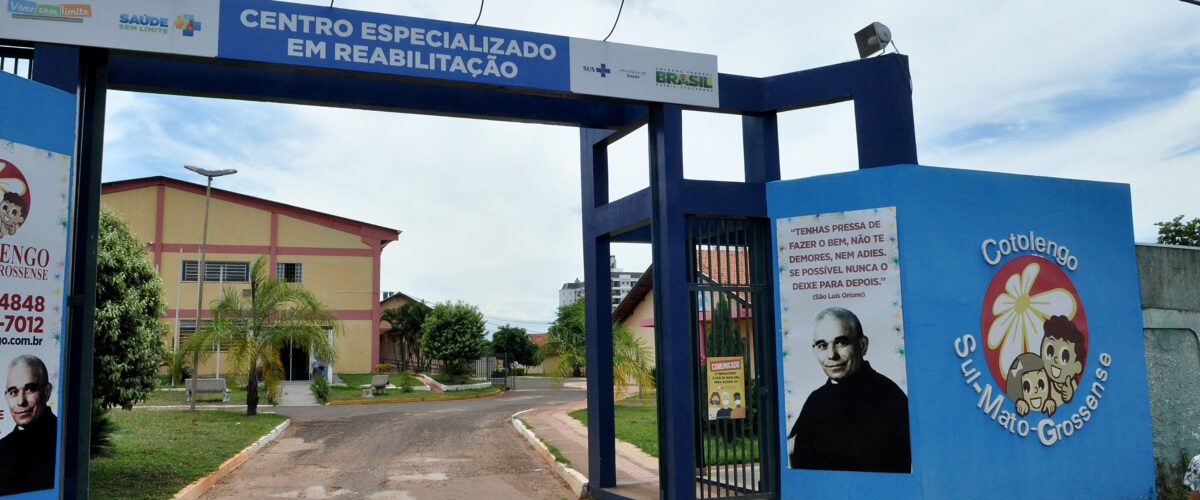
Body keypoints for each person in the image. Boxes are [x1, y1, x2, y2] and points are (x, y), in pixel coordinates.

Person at [788, 307, 910, 473]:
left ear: (862, 345)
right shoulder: (816, 399)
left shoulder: (889, 396)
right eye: (822, 345)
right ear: (815, 350)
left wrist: (803, 444)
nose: (831, 355)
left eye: (841, 342)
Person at [0, 355, 57, 494]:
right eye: (13, 392)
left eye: (30, 389)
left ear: (47, 391)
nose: (21, 401)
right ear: (6, 396)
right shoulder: (2, 447)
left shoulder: (62, 439)